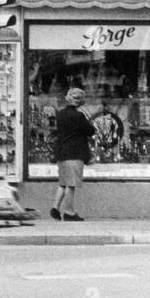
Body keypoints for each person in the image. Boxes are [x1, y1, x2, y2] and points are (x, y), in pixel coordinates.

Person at [52, 87, 94, 222]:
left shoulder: (60, 114)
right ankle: (69, 212)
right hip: (74, 152)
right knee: (71, 184)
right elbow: (90, 131)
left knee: (63, 182)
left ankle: (55, 207)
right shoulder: (79, 116)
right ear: (80, 101)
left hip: (61, 151)